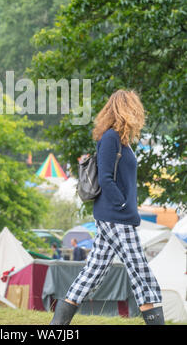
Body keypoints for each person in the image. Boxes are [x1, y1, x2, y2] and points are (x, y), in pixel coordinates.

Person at [50, 89, 165, 325]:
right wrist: (123, 204)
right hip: (116, 218)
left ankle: (57, 326)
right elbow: (105, 178)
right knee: (141, 274)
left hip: (113, 217)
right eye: (133, 108)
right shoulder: (110, 138)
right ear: (124, 110)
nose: (137, 113)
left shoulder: (120, 140)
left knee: (92, 272)